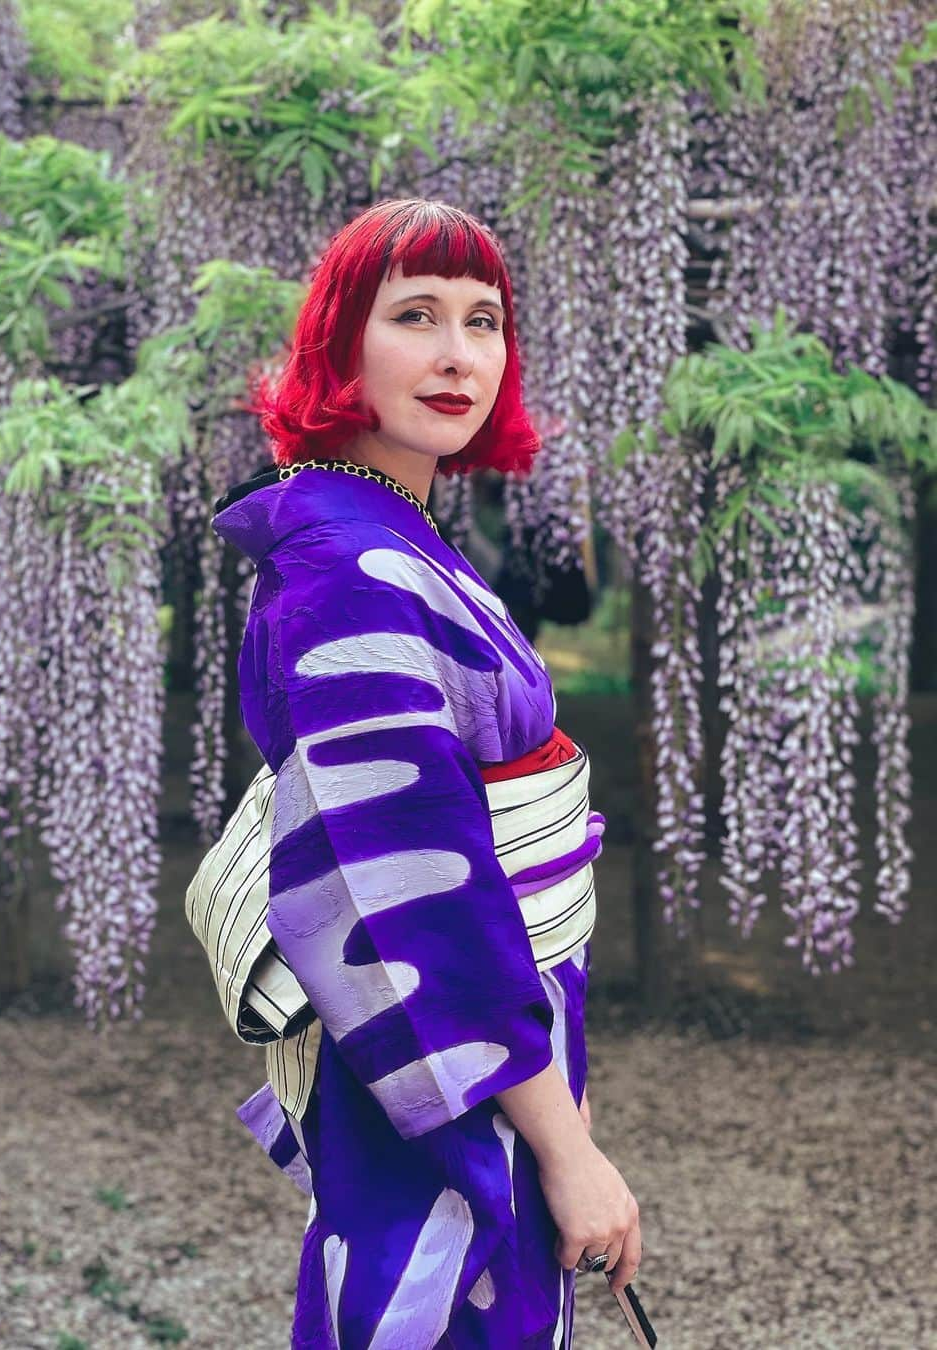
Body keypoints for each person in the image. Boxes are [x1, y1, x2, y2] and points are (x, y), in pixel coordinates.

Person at [209, 198, 641, 1349]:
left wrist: (566, 1118)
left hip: (497, 1047)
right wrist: (565, 1147)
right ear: (340, 345)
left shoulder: (402, 542)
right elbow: (420, 885)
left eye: (484, 319)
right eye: (415, 315)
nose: (460, 354)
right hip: (432, 1058)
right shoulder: (346, 567)